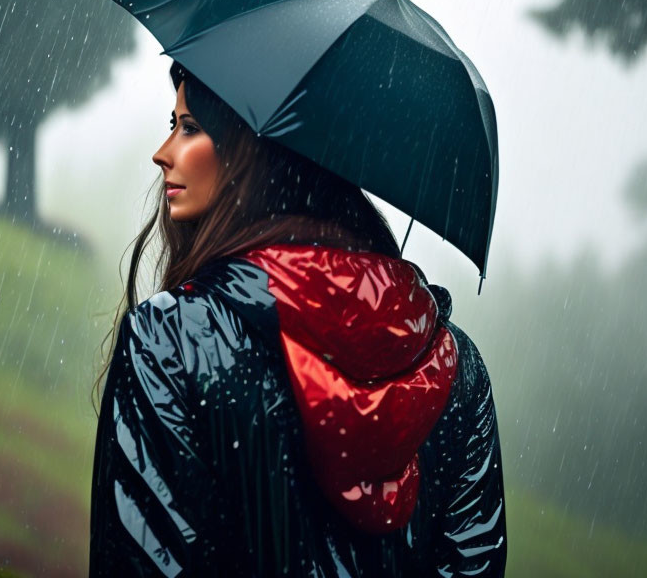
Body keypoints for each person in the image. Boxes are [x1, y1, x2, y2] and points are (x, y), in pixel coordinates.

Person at [89, 61, 507, 577]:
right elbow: (473, 563)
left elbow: (143, 558)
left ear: (254, 156)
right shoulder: (456, 368)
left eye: (189, 127)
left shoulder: (171, 337)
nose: (163, 152)